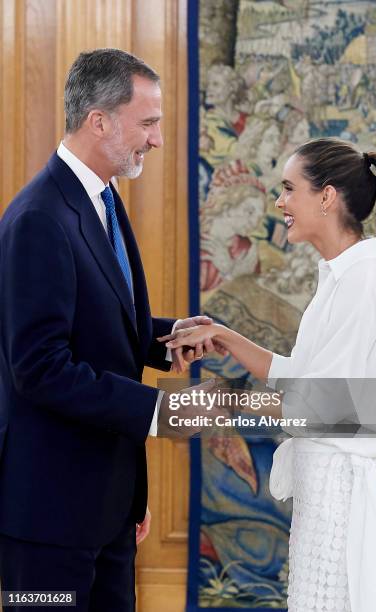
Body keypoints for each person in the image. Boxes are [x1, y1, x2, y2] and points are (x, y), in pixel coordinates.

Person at [0, 48, 211, 612]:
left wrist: (169, 338)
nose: (158, 140)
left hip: (109, 508)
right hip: (50, 519)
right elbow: (41, 368)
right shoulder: (39, 218)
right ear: (99, 121)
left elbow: (100, 324)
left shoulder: (104, 199)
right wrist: (158, 410)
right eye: (148, 123)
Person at [159, 138, 376, 611]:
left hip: (340, 505)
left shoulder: (364, 284)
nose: (280, 202)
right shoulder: (339, 278)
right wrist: (226, 337)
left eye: (290, 189)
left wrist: (222, 404)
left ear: (327, 197)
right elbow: (305, 381)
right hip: (322, 499)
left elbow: (319, 405)